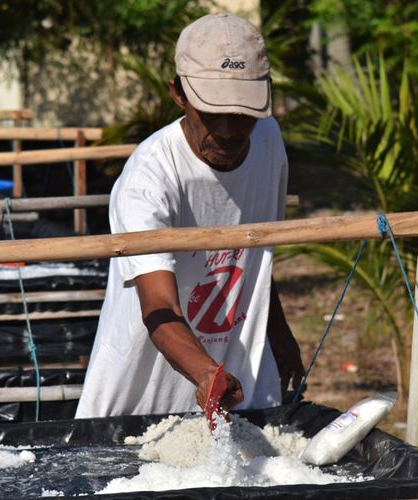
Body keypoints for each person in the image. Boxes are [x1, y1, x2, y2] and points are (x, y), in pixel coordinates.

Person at [75, 13, 304, 419]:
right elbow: (159, 306)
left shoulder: (269, 141)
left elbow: (254, 258)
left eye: (244, 114)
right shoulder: (149, 179)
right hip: (142, 411)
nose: (231, 131)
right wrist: (207, 375)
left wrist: (278, 334)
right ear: (179, 94)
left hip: (245, 395)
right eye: (213, 114)